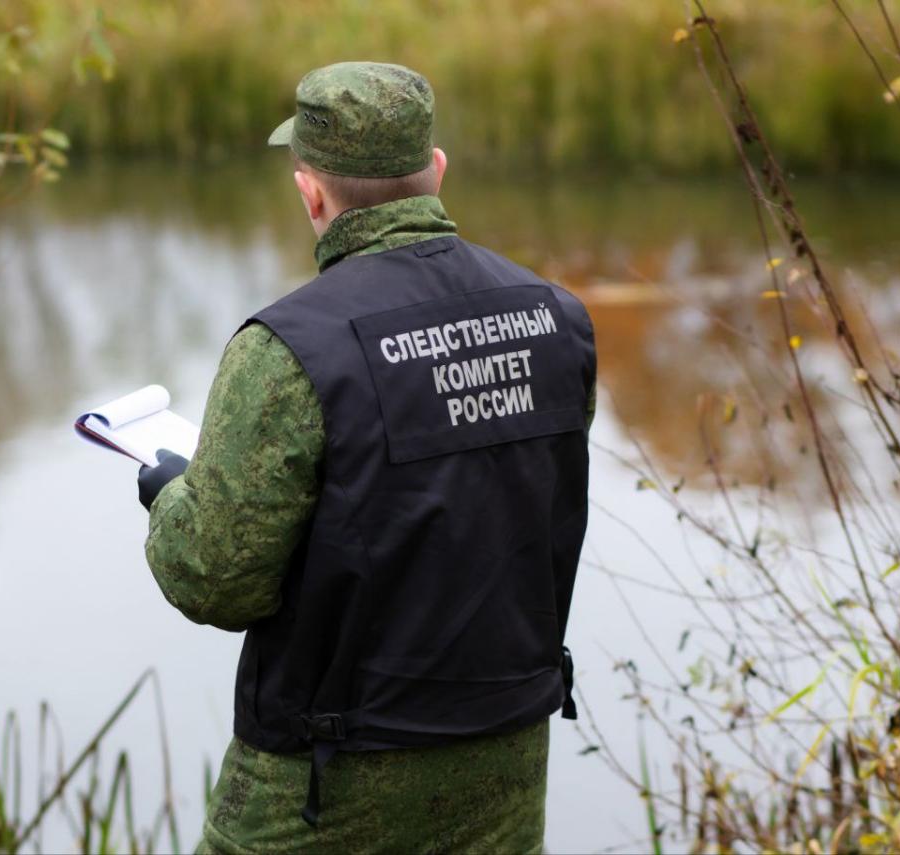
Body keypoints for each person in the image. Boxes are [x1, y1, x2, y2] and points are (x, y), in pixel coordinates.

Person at [136, 61, 597, 854]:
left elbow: (216, 577)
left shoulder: (287, 347)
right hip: (506, 755)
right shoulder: (557, 320)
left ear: (310, 192)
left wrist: (173, 495)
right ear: (437, 170)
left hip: (327, 783)